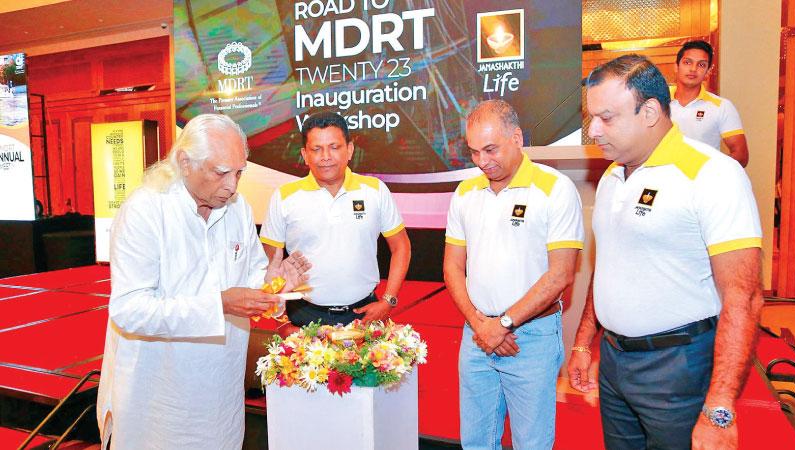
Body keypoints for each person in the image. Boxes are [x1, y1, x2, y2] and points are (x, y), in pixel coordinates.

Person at [569, 55, 763, 450]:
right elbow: (607, 267)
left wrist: (719, 408)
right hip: (614, 362)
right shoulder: (610, 176)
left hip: (678, 369)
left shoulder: (713, 175)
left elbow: (744, 297)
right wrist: (583, 341)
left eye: (606, 117)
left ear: (651, 112)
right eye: (592, 117)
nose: (593, 130)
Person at [96, 114, 309, 449]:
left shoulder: (237, 208)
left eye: (240, 172)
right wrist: (220, 303)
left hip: (219, 391)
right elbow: (129, 309)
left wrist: (273, 283)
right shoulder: (145, 210)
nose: (232, 185)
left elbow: (251, 274)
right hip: (159, 396)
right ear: (184, 162)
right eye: (221, 172)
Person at [443, 99, 584, 449]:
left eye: (491, 149)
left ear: (517, 138)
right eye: (474, 152)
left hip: (530, 339)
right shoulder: (465, 192)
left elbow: (561, 275)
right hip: (475, 335)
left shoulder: (555, 189)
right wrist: (482, 325)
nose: (482, 161)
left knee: (532, 443)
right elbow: (452, 267)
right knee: (475, 442)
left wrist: (502, 325)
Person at [260, 111, 411, 334]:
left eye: (334, 147)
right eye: (316, 149)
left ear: (349, 150)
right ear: (304, 154)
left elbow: (401, 247)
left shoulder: (375, 190)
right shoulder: (284, 197)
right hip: (304, 316)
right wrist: (281, 321)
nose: (326, 156)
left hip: (364, 314)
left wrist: (388, 300)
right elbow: (270, 265)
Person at [670, 40, 749, 167]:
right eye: (687, 62)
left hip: (702, 183)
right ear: (676, 66)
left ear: (707, 72)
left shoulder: (722, 107)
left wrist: (704, 168)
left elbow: (741, 156)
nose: (693, 69)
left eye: (701, 65)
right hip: (663, 182)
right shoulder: (657, 101)